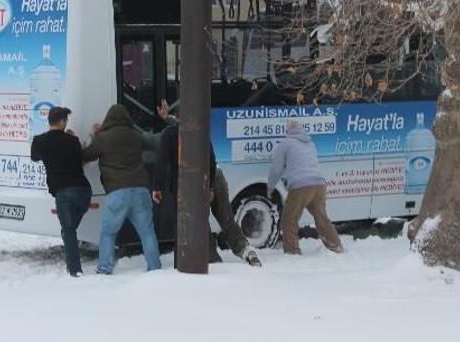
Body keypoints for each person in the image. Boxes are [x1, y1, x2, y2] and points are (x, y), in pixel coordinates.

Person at [152, 110, 261, 267]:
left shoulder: (170, 134)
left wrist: (157, 186)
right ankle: (244, 249)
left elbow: (162, 161)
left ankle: (213, 259)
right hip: (214, 175)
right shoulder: (200, 132)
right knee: (226, 217)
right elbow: (211, 158)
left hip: (193, 182)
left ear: (177, 118)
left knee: (200, 222)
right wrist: (210, 187)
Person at [82, 104, 161, 275]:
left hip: (117, 191)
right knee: (147, 231)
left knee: (109, 233)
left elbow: (87, 155)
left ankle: (104, 267)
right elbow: (155, 144)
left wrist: (92, 137)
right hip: (140, 189)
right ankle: (155, 267)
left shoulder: (102, 138)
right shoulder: (136, 135)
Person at [31, 107, 92, 277]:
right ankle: (72, 266)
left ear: (49, 121)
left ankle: (75, 269)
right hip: (84, 191)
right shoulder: (72, 141)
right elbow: (81, 159)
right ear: (63, 122)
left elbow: (34, 157)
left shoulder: (39, 141)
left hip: (63, 192)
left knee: (69, 230)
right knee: (69, 229)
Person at [267, 119, 344, 255]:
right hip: (319, 185)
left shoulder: (286, 143)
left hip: (301, 187)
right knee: (322, 219)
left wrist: (270, 187)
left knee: (289, 219)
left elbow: (277, 168)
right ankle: (336, 246)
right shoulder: (310, 143)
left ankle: (292, 251)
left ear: (288, 130)